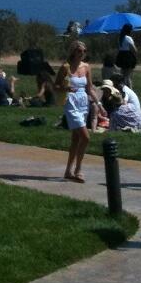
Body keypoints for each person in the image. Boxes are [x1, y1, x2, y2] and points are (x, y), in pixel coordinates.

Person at [58, 41, 96, 183]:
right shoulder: (66, 67)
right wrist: (66, 88)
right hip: (71, 102)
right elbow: (55, 86)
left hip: (83, 102)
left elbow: (90, 88)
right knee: (86, 137)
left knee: (76, 139)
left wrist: (98, 104)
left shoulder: (86, 67)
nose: (82, 53)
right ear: (73, 51)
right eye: (79, 51)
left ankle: (68, 171)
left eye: (84, 51)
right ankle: (78, 169)